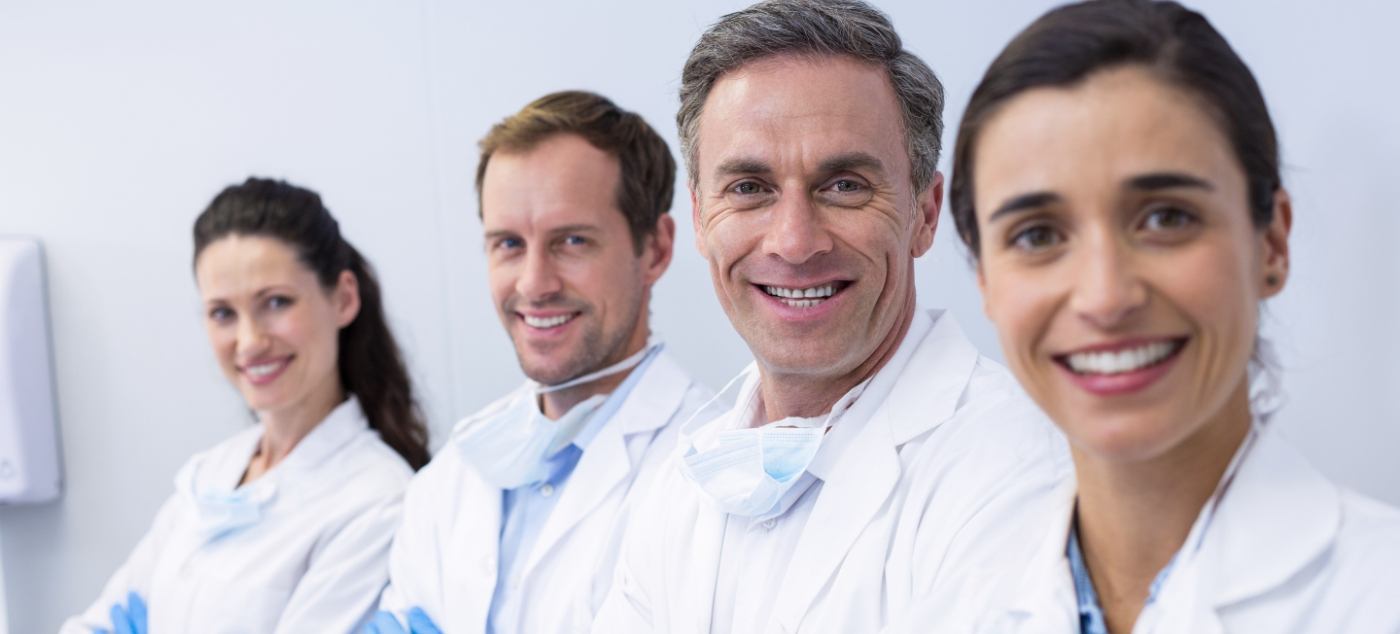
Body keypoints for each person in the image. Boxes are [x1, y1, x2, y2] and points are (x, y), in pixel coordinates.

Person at [920, 1, 1400, 631]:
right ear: (985, 279)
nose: (1104, 296)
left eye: (1166, 218)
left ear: (1272, 245)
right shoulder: (952, 604)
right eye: (1038, 235)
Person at [590, 1, 1070, 631]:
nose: (794, 241)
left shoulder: (1017, 471)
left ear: (925, 214)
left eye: (844, 185)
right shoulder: (680, 490)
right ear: (702, 218)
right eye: (749, 188)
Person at [369, 91, 712, 633]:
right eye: (508, 243)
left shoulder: (706, 474)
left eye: (571, 241)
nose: (533, 283)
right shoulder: (452, 478)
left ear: (656, 250)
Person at [61, 178, 431, 633]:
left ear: (344, 298)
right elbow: (100, 623)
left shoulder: (376, 501)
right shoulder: (210, 477)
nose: (250, 341)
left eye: (275, 302)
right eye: (223, 313)